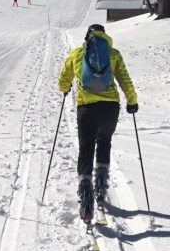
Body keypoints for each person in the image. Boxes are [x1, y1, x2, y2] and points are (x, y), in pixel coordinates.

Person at [57, 24, 138, 223]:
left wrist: (65, 88)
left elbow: (63, 79)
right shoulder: (113, 54)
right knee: (104, 142)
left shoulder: (77, 53)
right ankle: (100, 184)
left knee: (86, 149)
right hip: (110, 108)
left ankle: (86, 195)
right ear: (104, 36)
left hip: (87, 109)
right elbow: (125, 80)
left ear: (88, 36)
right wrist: (132, 101)